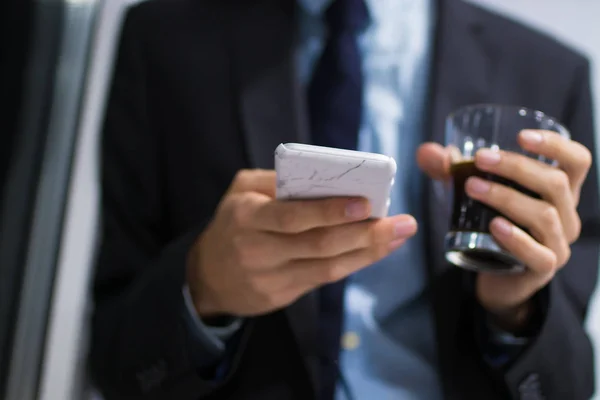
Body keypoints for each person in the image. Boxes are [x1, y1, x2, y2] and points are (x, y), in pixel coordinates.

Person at [90, 0, 600, 399]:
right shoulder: (163, 43)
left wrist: (515, 310)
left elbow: (570, 385)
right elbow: (116, 363)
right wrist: (204, 288)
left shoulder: (551, 77)